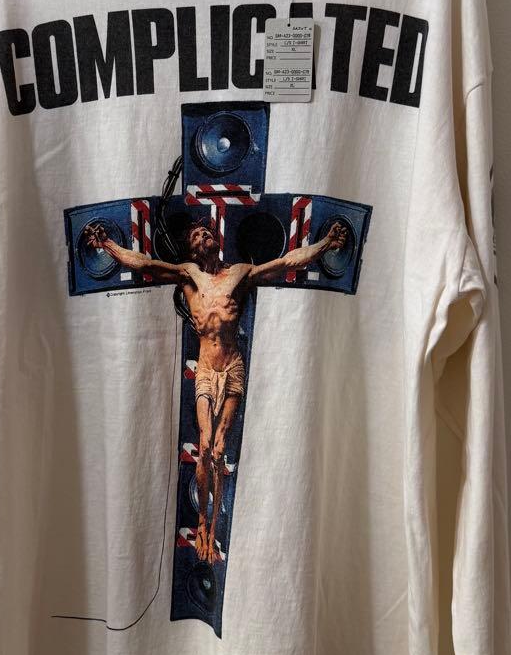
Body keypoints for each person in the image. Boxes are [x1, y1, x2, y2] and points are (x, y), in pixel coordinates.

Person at [85, 214, 348, 563]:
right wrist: (107, 246)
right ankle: (201, 523)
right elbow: (146, 265)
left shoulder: (239, 273)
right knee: (205, 446)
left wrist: (327, 244)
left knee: (220, 450)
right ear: (192, 249)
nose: (203, 236)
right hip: (207, 368)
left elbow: (286, 263)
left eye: (205, 231)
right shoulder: (189, 276)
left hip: (233, 365)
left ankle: (212, 529)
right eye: (196, 235)